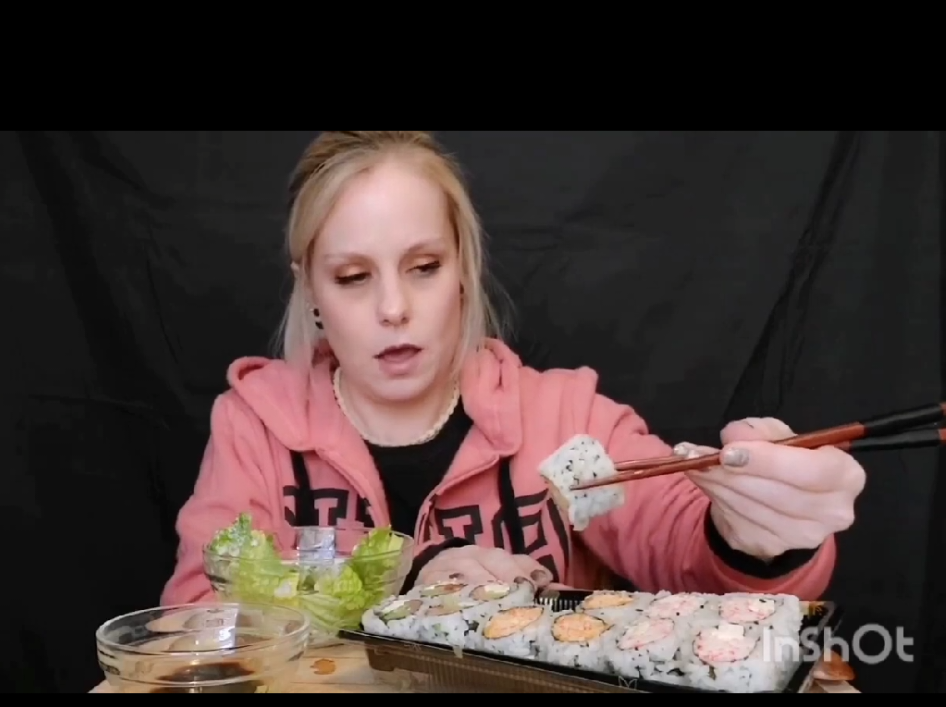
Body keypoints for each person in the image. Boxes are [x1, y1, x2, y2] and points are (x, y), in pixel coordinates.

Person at [162, 130, 867, 606]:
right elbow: (199, 613)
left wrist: (754, 538)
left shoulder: (562, 428)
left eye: (424, 267)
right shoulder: (258, 426)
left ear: (463, 272)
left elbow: (677, 541)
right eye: (352, 277)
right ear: (311, 291)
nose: (393, 308)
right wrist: (404, 574)